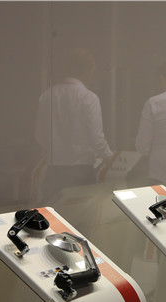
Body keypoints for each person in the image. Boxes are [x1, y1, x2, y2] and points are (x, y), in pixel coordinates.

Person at [35, 48, 113, 200]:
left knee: (54, 211)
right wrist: (108, 157)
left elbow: (39, 135)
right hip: (81, 171)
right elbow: (96, 136)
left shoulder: (47, 96)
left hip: (53, 170)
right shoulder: (89, 98)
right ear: (88, 70)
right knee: (80, 213)